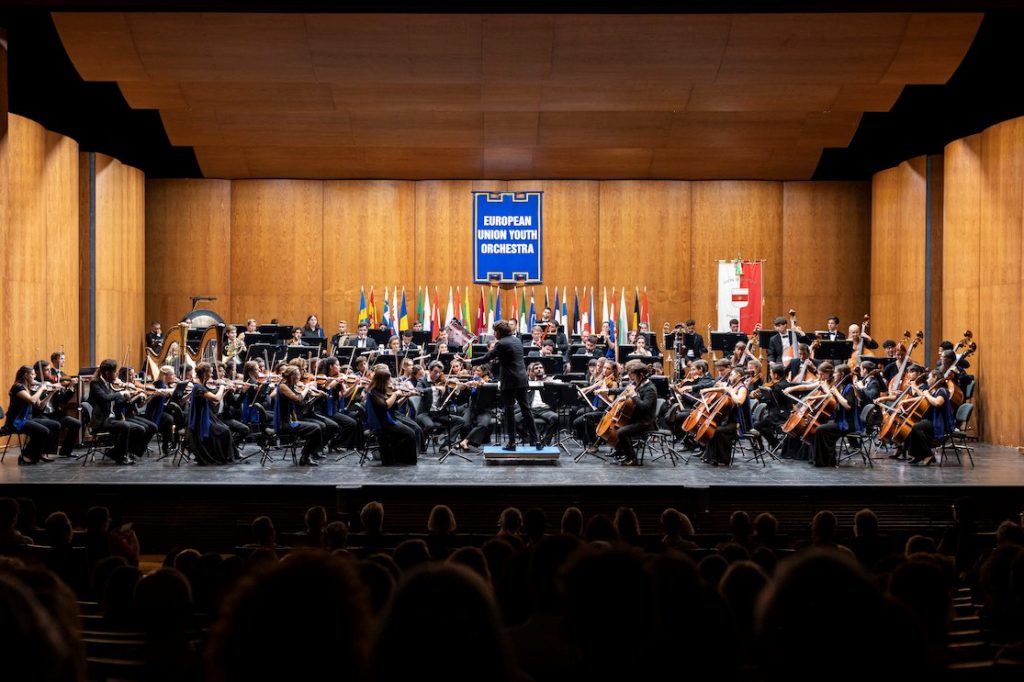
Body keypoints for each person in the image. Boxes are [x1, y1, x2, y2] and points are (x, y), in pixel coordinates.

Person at [470, 320, 541, 451]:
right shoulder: (516, 340)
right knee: (526, 410)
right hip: (522, 379)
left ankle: (512, 443)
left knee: (509, 411)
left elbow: (487, 358)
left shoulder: (501, 343)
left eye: (495, 331)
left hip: (509, 381)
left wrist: (470, 361)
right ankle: (536, 440)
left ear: (499, 331)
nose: (493, 333)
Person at [87, 359, 149, 464]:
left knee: (140, 429)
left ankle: (117, 452)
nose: (117, 374)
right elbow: (105, 398)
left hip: (113, 418)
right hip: (102, 420)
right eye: (115, 371)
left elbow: (118, 401)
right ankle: (120, 456)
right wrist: (120, 393)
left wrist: (130, 395)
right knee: (125, 426)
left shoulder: (111, 384)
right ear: (107, 373)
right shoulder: (95, 384)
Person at [6, 365, 62, 465]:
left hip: (27, 419)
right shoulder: (18, 387)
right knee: (43, 431)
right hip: (16, 421)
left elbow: (40, 406)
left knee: (55, 425)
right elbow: (32, 400)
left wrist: (51, 393)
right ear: (26, 376)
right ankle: (26, 456)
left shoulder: (28, 388)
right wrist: (42, 388)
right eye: (32, 374)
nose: (35, 376)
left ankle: (41, 452)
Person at [606, 359, 658, 466]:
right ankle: (621, 451)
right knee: (618, 425)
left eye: (633, 375)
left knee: (621, 432)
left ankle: (632, 458)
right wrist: (608, 391)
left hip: (645, 422)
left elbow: (645, 407)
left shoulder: (650, 389)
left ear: (641, 375)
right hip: (635, 418)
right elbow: (624, 389)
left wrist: (634, 396)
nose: (632, 378)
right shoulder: (639, 384)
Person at [365, 365, 418, 465]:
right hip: (382, 423)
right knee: (410, 434)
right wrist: (395, 394)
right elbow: (385, 406)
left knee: (411, 432)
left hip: (387, 420)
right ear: (382, 380)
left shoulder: (380, 391)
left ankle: (400, 458)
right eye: (387, 380)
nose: (389, 382)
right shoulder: (373, 393)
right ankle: (405, 460)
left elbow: (395, 406)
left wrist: (406, 397)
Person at [272, 365, 324, 466]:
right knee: (316, 428)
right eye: (298, 375)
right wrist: (307, 388)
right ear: (293, 376)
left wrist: (315, 396)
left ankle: (306, 454)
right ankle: (305, 456)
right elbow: (298, 399)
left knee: (317, 428)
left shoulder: (290, 386)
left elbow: (301, 402)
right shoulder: (283, 386)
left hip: (291, 421)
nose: (300, 377)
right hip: (285, 423)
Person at [187, 362, 237, 465]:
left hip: (207, 415)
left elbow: (215, 402)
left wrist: (224, 391)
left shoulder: (202, 385)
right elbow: (215, 398)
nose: (211, 375)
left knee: (225, 429)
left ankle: (227, 456)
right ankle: (222, 456)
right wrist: (222, 387)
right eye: (210, 372)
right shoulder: (198, 387)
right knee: (224, 430)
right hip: (200, 419)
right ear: (205, 374)